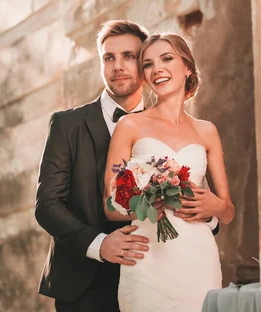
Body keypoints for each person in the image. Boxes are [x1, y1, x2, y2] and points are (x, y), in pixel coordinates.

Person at [35, 21, 219, 311]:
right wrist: (99, 244)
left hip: (158, 270)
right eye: (109, 58)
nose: (118, 66)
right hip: (85, 283)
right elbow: (47, 205)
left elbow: (198, 196)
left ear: (145, 67)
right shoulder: (67, 125)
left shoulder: (172, 128)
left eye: (129, 56)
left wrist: (207, 214)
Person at [103, 32, 234, 311]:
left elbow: (229, 210)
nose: (157, 69)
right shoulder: (129, 126)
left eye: (166, 59)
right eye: (148, 64)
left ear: (187, 67)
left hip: (199, 259)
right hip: (147, 256)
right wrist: (145, 202)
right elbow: (109, 204)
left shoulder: (207, 131)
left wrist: (215, 205)